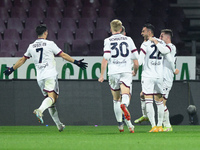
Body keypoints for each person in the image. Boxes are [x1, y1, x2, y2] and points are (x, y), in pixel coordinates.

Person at [4, 24, 88, 132]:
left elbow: (22, 60)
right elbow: (63, 55)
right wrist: (76, 62)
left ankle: (59, 125)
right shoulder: (50, 44)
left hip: (40, 77)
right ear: (45, 33)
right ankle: (40, 110)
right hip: (50, 74)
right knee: (53, 98)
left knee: (49, 101)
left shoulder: (31, 46)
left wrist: (11, 69)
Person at [98, 20, 139, 133]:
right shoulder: (128, 39)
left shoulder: (107, 40)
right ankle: (124, 105)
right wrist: (135, 71)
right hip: (125, 70)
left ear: (111, 29)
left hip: (113, 72)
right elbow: (136, 58)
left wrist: (102, 75)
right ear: (121, 29)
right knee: (126, 94)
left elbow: (105, 57)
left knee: (116, 99)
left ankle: (121, 126)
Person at [135, 29, 179, 132]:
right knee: (143, 95)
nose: (159, 38)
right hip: (159, 76)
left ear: (166, 37)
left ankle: (166, 125)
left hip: (166, 78)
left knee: (161, 102)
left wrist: (155, 42)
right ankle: (146, 115)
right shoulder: (160, 45)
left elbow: (164, 51)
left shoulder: (170, 47)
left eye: (161, 36)